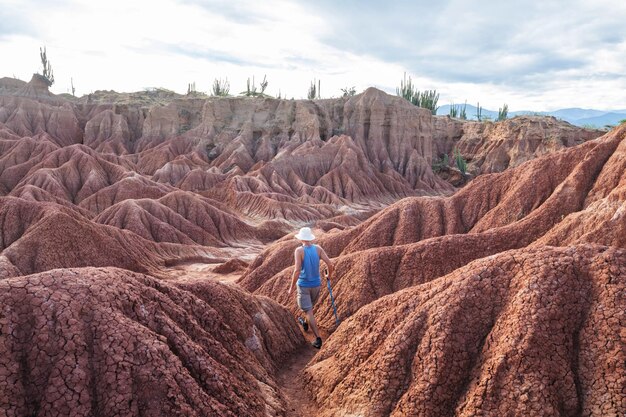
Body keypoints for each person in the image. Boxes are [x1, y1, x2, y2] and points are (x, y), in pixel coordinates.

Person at [288, 227, 334, 349]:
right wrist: (328, 276)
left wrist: (291, 287)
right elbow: (330, 264)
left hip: (303, 285)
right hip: (316, 285)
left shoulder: (299, 251)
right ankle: (305, 323)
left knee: (308, 311)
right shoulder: (318, 249)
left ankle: (318, 339)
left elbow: (297, 270)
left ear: (301, 238)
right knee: (309, 310)